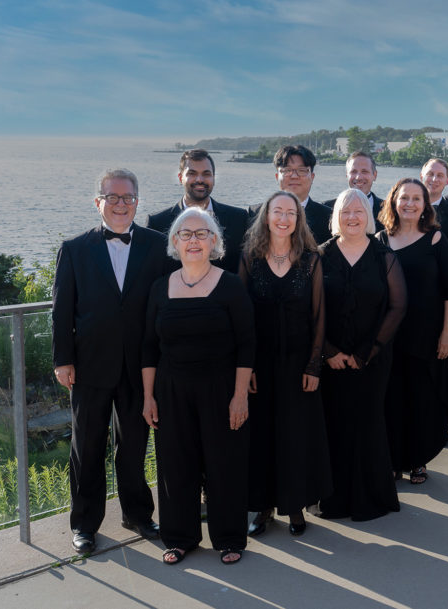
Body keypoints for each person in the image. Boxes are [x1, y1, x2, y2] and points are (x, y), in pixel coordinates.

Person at [52, 168, 168, 555]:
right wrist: (62, 360)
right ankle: (84, 524)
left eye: (128, 197)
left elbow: (168, 303)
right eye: (113, 197)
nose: (121, 205)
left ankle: (137, 513)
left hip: (141, 365)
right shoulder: (74, 248)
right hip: (88, 365)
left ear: (137, 201)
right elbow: (61, 310)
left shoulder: (158, 245)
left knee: (134, 444)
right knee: (86, 446)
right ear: (98, 201)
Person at [141, 207, 255, 565]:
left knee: (225, 464)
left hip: (221, 389)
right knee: (176, 466)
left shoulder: (231, 285)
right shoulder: (161, 287)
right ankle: (179, 538)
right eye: (186, 235)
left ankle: (229, 538)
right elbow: (148, 347)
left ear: (214, 242)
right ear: (175, 242)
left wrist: (240, 396)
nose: (194, 241)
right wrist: (148, 396)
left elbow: (247, 344)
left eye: (201, 234)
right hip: (171, 390)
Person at [240, 191, 332, 537]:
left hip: (298, 365)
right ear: (266, 216)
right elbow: (243, 318)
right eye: (277, 211)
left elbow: (320, 316)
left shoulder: (311, 259)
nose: (283, 218)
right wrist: (245, 367)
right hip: (260, 366)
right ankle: (263, 508)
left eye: (290, 213)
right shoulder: (249, 257)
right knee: (262, 436)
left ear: (298, 219)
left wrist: (313, 366)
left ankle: (295, 507)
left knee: (295, 436)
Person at [317, 188, 405, 520]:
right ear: (336, 216)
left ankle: (372, 497)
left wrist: (368, 351)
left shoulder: (384, 256)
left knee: (368, 423)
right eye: (345, 211)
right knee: (334, 424)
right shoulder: (320, 255)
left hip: (373, 360)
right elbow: (310, 311)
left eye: (358, 211)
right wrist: (329, 353)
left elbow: (398, 307)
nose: (352, 217)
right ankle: (334, 499)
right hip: (331, 363)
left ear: (367, 216)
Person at [375, 178, 448, 483]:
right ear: (393, 202)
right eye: (404, 198)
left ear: (425, 205)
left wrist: (447, 333)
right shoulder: (379, 240)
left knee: (422, 399)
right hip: (389, 337)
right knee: (391, 399)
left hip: (426, 335)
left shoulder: (436, 240)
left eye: (416, 199)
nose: (409, 204)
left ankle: (418, 459)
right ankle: (394, 460)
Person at [147, 149, 249, 271]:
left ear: (213, 178)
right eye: (192, 173)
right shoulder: (157, 223)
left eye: (206, 174)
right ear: (180, 178)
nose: (199, 179)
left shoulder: (239, 219)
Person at [256, 145, 332, 244]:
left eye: (302, 170)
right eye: (287, 170)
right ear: (277, 176)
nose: (294, 176)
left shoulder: (328, 217)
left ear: (312, 177)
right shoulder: (256, 214)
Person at [326, 152, 384, 223]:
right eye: (353, 171)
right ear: (347, 175)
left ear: (374, 175)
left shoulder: (389, 209)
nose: (358, 177)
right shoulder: (327, 208)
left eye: (364, 171)